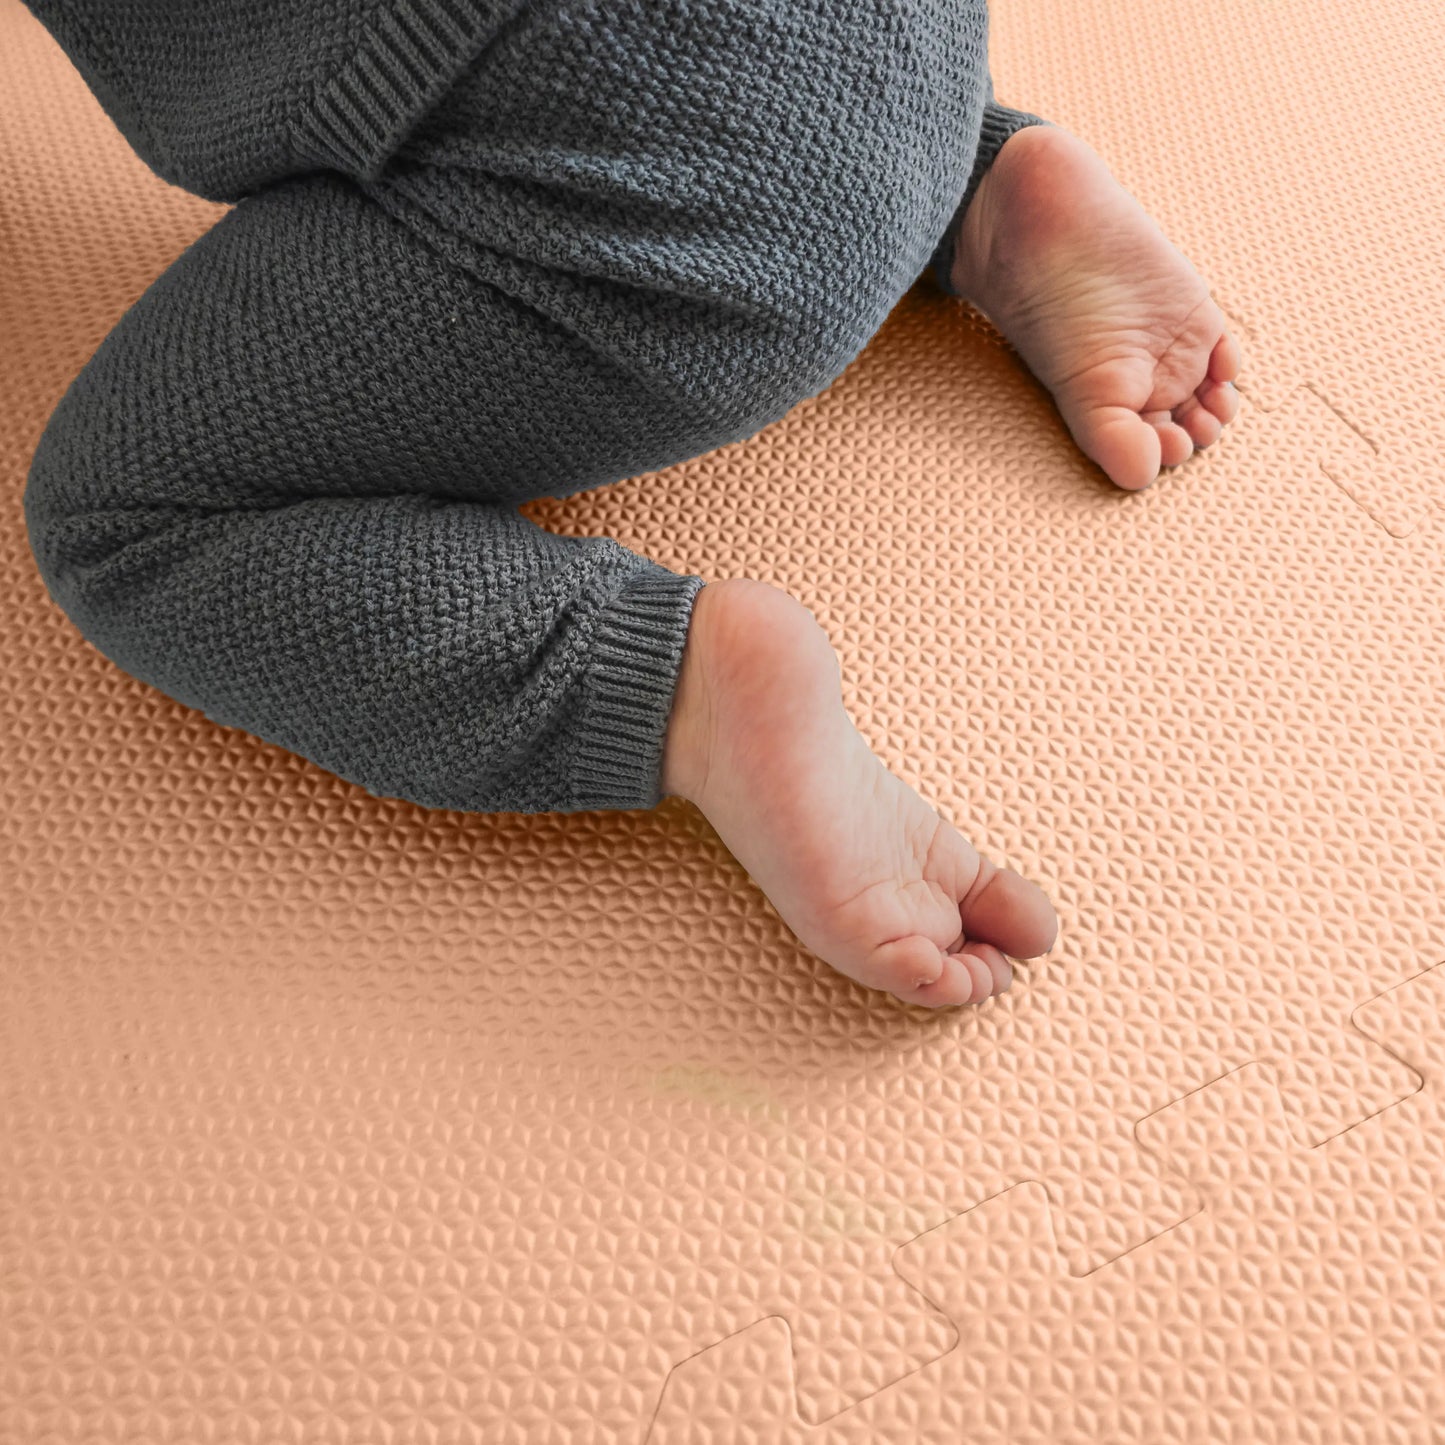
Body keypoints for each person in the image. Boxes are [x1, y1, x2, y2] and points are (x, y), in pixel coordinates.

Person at [18, 0, 1240, 1009]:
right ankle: (967, 186)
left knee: (128, 511)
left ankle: (684, 689)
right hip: (902, 50)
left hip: (700, 219)